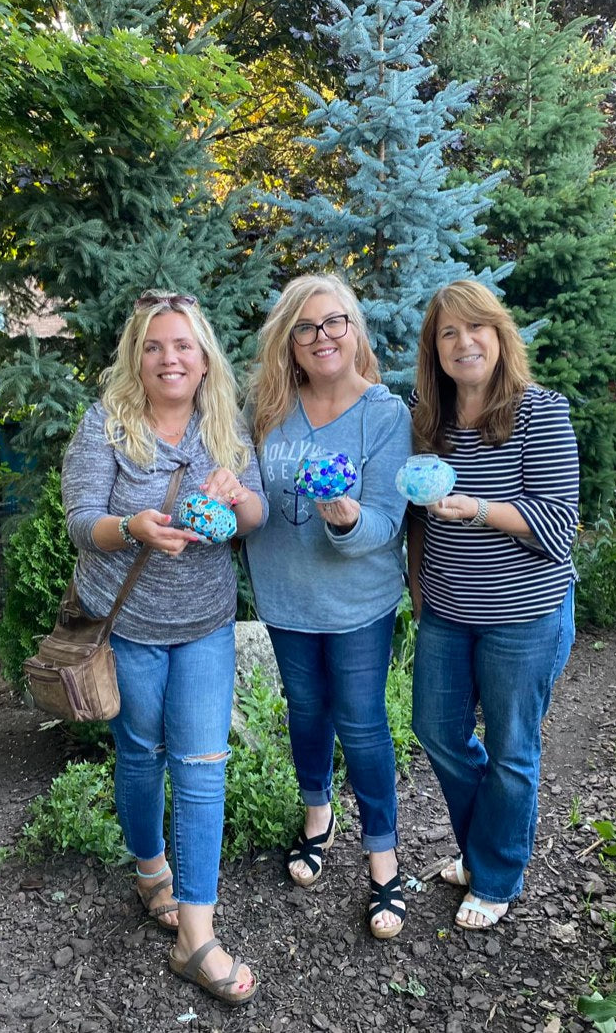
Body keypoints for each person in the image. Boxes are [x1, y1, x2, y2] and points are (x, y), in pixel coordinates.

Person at [61, 292, 267, 1005]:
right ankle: (152, 869)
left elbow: (256, 514)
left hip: (206, 626)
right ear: (136, 360)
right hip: (128, 628)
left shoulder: (225, 424)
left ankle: (197, 938)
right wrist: (135, 527)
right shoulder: (107, 425)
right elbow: (83, 521)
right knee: (141, 755)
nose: (169, 357)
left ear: (204, 356)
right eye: (154, 347)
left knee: (204, 768)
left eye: (182, 345)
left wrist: (237, 494)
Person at [407, 279, 579, 930]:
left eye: (475, 327)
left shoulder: (539, 411)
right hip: (448, 613)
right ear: (437, 349)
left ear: (499, 335)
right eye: (448, 332)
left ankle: (497, 871)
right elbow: (415, 521)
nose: (463, 342)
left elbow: (559, 523)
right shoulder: (430, 419)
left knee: (511, 749)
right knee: (438, 731)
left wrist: (480, 510)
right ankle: (485, 845)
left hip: (524, 618)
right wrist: (420, 594)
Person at [245, 273, 412, 939]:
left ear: (354, 328)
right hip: (286, 601)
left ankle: (384, 859)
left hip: (357, 604)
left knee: (363, 722)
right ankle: (317, 815)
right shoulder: (267, 410)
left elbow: (387, 524)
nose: (322, 338)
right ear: (289, 341)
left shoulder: (384, 414)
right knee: (306, 710)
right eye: (306, 328)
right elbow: (250, 497)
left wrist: (344, 520)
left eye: (334, 322)